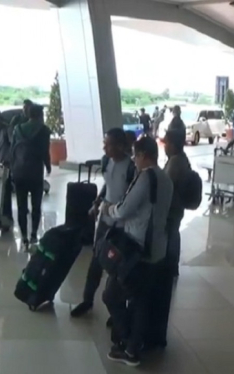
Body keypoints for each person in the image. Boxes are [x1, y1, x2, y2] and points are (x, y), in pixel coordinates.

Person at [101, 136, 173, 367]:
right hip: (157, 249)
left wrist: (108, 208)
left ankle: (126, 342)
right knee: (140, 299)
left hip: (136, 249)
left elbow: (124, 210)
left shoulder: (146, 177)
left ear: (143, 154)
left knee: (111, 295)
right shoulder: (166, 179)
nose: (135, 160)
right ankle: (133, 347)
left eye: (136, 155)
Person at [71, 128, 135, 318]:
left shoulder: (131, 168)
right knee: (96, 260)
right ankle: (87, 300)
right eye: (104, 143)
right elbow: (107, 185)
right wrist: (98, 201)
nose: (104, 148)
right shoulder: (106, 161)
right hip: (105, 221)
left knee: (116, 266)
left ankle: (115, 310)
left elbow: (131, 197)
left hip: (121, 224)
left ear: (120, 146)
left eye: (108, 144)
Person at [10, 104, 51, 248]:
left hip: (19, 172)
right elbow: (45, 152)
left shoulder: (17, 129)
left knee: (21, 206)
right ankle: (33, 234)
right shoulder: (44, 130)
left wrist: (12, 169)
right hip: (35, 173)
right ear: (40, 115)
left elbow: (12, 151)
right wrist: (48, 166)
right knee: (36, 205)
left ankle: (24, 237)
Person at [163, 129, 190, 277]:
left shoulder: (175, 162)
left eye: (166, 143)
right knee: (173, 233)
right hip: (177, 206)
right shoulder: (181, 158)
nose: (165, 146)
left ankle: (171, 266)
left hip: (172, 207)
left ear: (173, 144)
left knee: (171, 235)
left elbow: (165, 185)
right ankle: (172, 266)